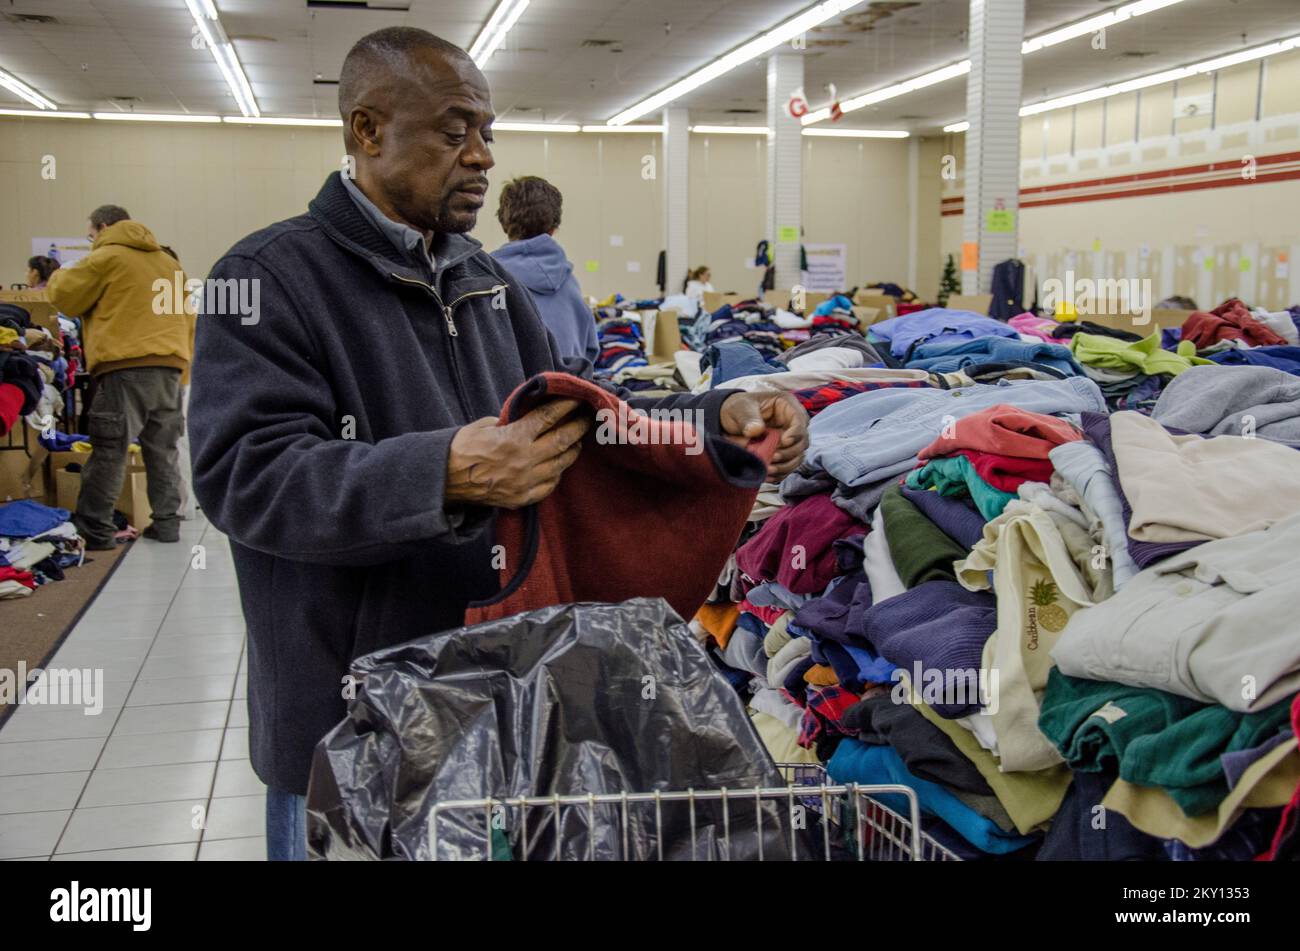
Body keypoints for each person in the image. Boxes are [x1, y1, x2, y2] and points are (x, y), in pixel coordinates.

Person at [187, 26, 809, 861]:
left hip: (493, 702)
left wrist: (717, 421)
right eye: (454, 131)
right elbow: (245, 475)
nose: (481, 155)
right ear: (366, 130)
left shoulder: (489, 283)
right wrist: (445, 472)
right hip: (346, 723)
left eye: (487, 132)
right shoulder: (266, 279)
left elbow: (586, 423)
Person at [46, 204, 195, 549]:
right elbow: (187, 320)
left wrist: (58, 274)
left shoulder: (106, 257)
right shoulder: (169, 263)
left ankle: (95, 530)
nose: (91, 240)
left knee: (110, 448)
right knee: (163, 450)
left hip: (125, 367)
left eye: (91, 234)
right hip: (171, 366)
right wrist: (183, 371)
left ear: (102, 226)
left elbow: (64, 297)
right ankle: (167, 525)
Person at [490, 176, 598, 362]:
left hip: (512, 390)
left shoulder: (485, 280)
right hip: (566, 388)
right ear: (554, 228)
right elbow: (590, 351)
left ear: (503, 224)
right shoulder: (570, 285)